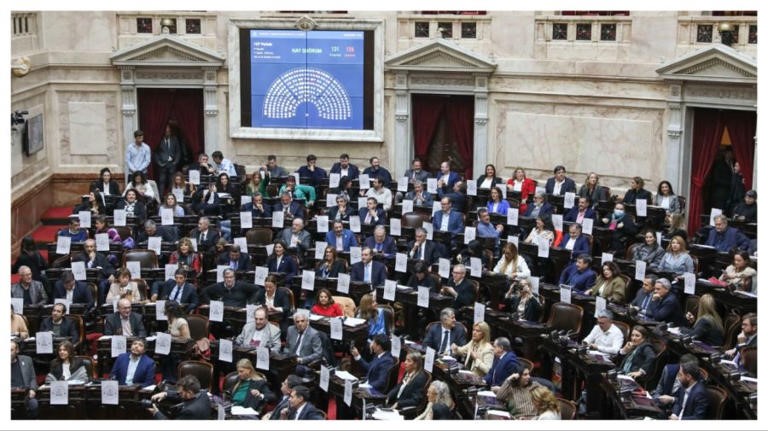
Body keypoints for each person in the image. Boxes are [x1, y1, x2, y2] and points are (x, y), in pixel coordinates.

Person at [11, 340, 39, 418]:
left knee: (34, 405)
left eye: (11, 350)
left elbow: (33, 378)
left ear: (17, 350)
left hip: (25, 395)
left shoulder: (27, 360)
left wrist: (32, 389)